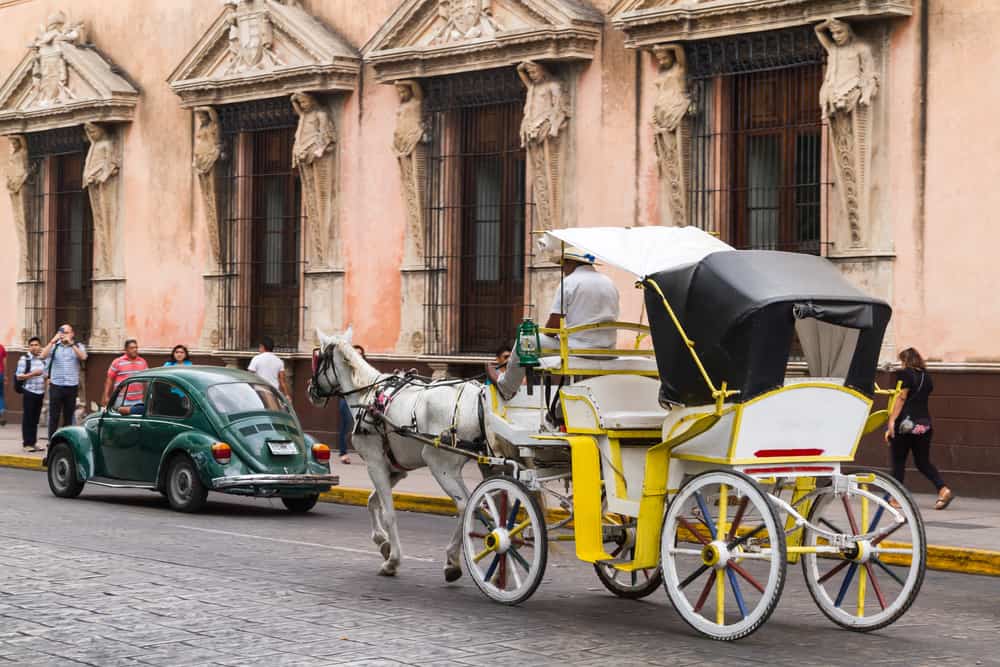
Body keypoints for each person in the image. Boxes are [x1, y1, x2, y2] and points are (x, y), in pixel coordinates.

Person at [487, 247, 620, 398]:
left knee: (526, 340)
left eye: (564, 265)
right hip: (608, 350)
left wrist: (551, 335)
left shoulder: (569, 282)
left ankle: (506, 387)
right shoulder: (609, 282)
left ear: (570, 263)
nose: (564, 270)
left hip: (579, 349)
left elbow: (553, 327)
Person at [885, 347, 954, 510]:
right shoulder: (927, 377)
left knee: (899, 461)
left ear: (906, 361)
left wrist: (891, 422)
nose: (901, 365)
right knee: (923, 462)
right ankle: (943, 489)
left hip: (905, 425)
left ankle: (895, 499)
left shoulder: (905, 374)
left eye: (902, 361)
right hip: (924, 425)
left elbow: (901, 398)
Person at [41, 323, 87, 439]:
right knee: (54, 416)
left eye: (66, 332)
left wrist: (72, 345)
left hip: (71, 386)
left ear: (72, 334)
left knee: (68, 415)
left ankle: (66, 441)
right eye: (62, 332)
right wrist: (52, 341)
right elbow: (42, 356)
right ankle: (51, 440)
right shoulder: (55, 346)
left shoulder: (78, 346)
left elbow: (83, 357)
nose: (64, 335)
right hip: (56, 385)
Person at [335, 344, 367, 465]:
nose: (358, 356)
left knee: (364, 427)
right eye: (356, 353)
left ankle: (366, 453)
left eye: (361, 354)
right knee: (346, 427)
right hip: (347, 400)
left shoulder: (365, 369)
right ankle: (343, 453)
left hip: (362, 400)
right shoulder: (346, 368)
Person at [15, 337, 46, 451]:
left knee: (35, 419)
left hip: (40, 392)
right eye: (32, 345)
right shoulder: (24, 359)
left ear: (40, 346)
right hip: (29, 392)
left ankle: (33, 442)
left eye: (36, 344)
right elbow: (19, 376)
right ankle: (27, 443)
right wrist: (33, 374)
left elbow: (45, 375)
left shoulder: (43, 359)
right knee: (28, 418)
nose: (34, 347)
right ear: (29, 347)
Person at [102, 339, 148, 407]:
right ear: (126, 349)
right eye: (132, 348)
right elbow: (109, 379)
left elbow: (147, 380)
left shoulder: (142, 362)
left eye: (136, 347)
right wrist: (106, 396)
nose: (135, 350)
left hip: (138, 400)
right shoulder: (117, 362)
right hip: (121, 399)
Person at [0, 340, 6, 426]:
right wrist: (5, 375)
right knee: (0, 395)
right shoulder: (1, 347)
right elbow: (5, 362)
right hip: (0, 374)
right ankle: (1, 416)